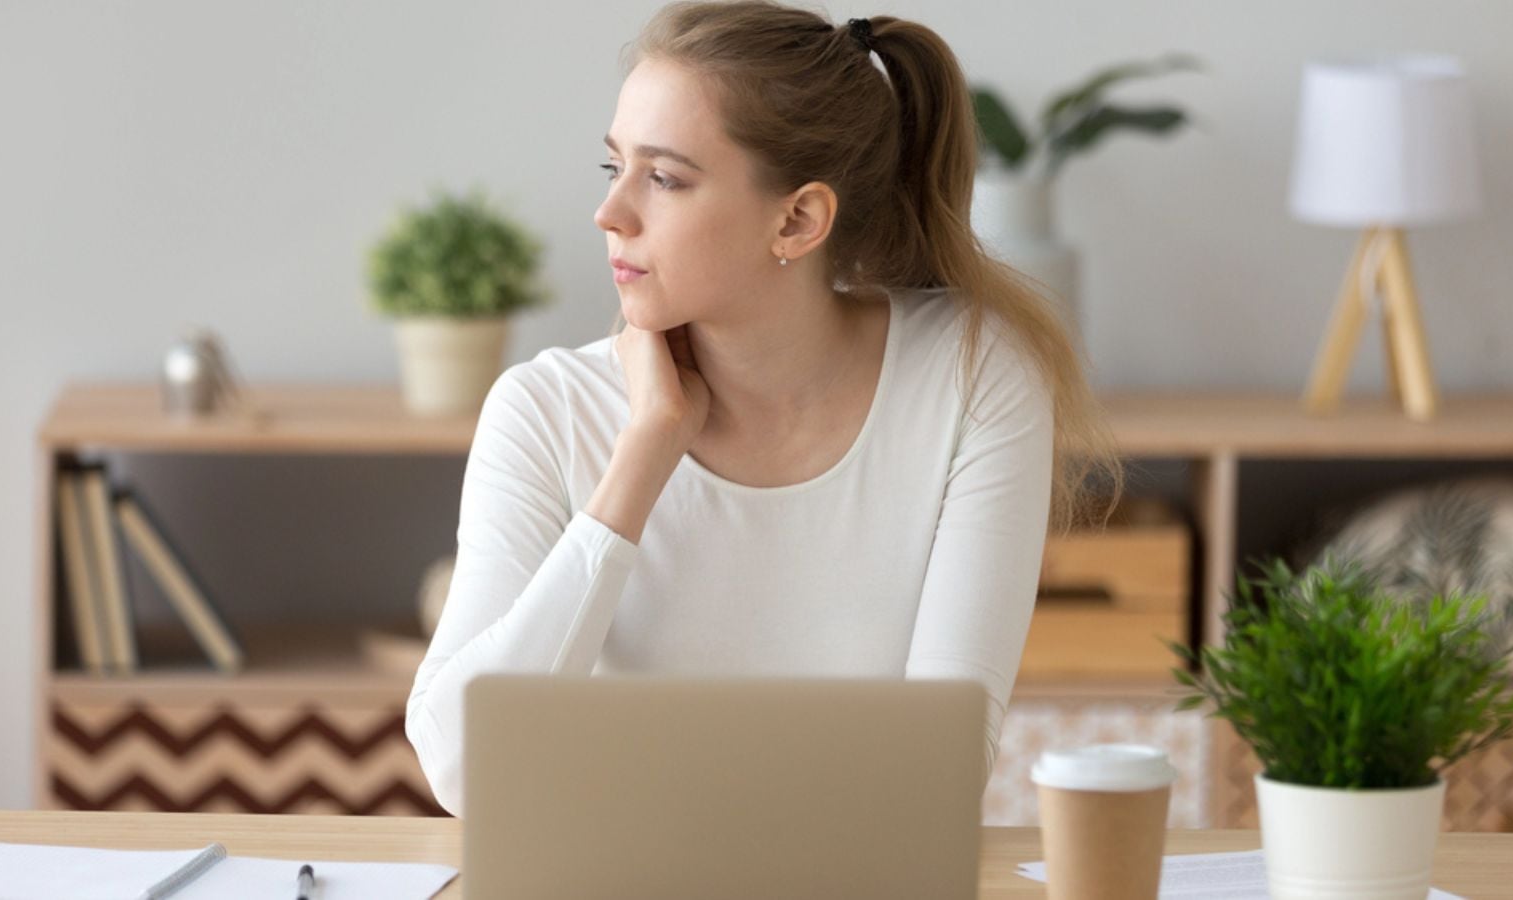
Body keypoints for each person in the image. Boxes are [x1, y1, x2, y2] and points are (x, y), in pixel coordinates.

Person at [406, 0, 1121, 817]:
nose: (611, 213)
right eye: (615, 167)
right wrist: (643, 455)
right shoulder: (543, 410)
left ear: (799, 219)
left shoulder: (971, 373)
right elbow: (463, 772)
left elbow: (941, 767)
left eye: (664, 179)